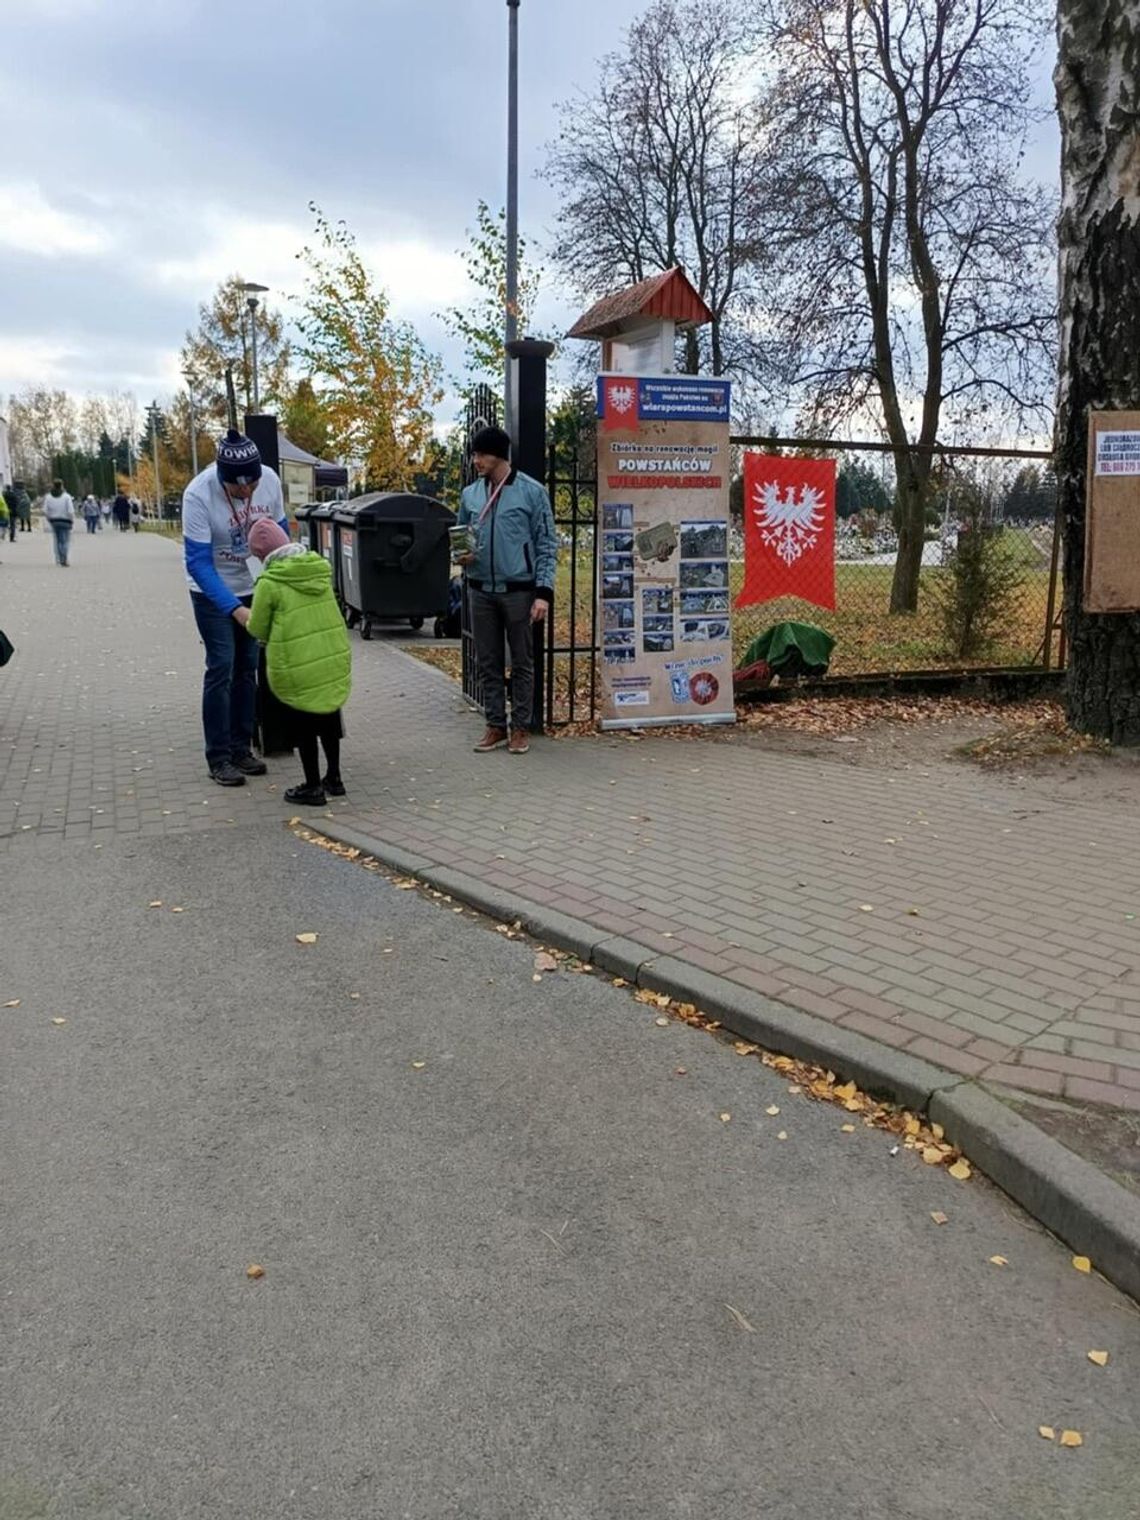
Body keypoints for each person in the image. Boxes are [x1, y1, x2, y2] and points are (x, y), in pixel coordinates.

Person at [182, 428, 288, 786]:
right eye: (239, 488)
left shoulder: (268, 480)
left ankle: (242, 747)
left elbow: (281, 534)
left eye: (252, 485)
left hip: (254, 584)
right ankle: (219, 755)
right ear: (223, 480)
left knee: (248, 667)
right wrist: (235, 609)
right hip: (212, 590)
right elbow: (197, 562)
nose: (247, 493)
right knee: (222, 666)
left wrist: (281, 586)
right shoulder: (198, 494)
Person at [455, 425, 556, 755]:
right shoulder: (471, 494)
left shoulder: (531, 492)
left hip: (519, 590)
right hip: (481, 588)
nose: (475, 461)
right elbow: (461, 537)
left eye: (481, 454)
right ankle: (495, 724)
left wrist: (543, 592)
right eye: (474, 454)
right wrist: (462, 555)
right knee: (488, 661)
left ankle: (521, 728)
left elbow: (546, 544)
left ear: (498, 455)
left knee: (522, 662)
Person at [246, 518, 351, 806]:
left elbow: (258, 629)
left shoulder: (270, 582)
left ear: (262, 554)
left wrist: (241, 615)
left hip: (298, 663)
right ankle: (335, 778)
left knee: (304, 724)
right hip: (329, 655)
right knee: (329, 715)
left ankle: (313, 786)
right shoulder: (317, 569)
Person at [42, 479, 75, 566]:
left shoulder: (48, 497)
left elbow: (45, 511)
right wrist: (72, 521)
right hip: (65, 521)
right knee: (65, 541)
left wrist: (49, 518)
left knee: (56, 541)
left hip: (54, 521)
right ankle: (64, 558)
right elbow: (70, 511)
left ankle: (58, 559)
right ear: (62, 485)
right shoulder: (66, 497)